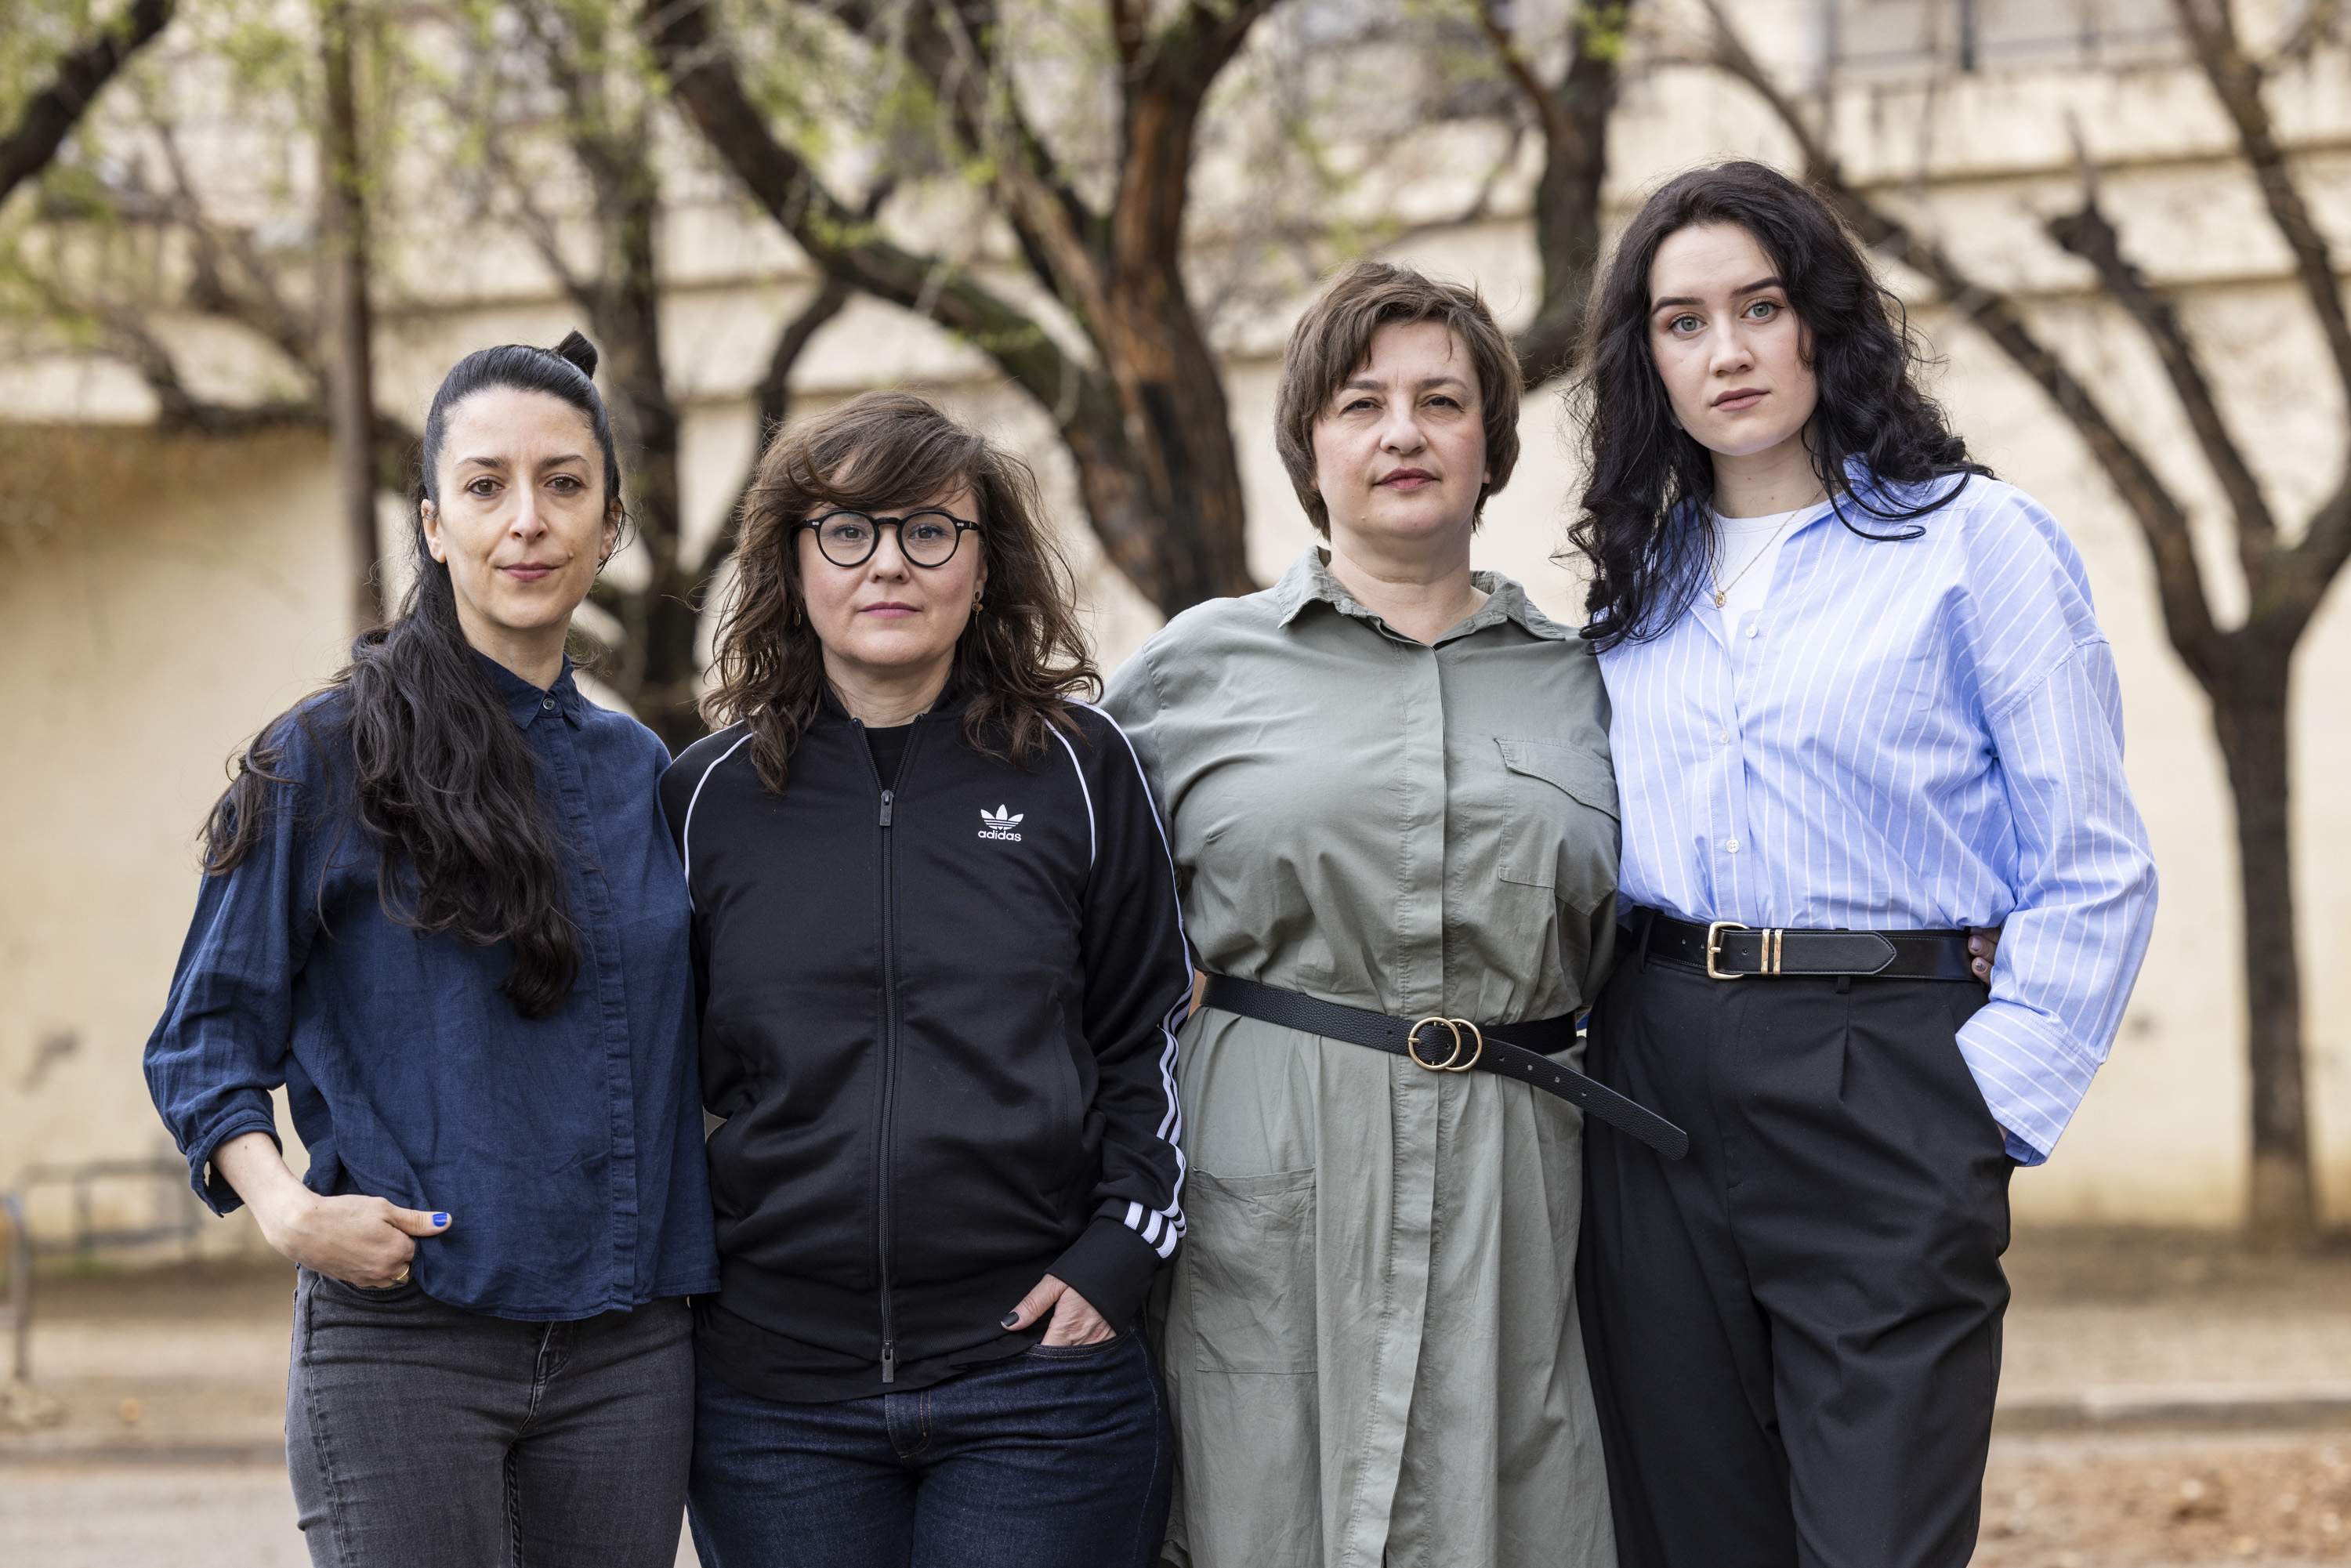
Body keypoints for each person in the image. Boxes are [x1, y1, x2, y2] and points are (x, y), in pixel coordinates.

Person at [1567, 160, 2160, 1568]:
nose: (1728, 351)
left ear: (1822, 319)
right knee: (1690, 1533)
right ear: (1649, 359)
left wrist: (1978, 1109)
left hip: (1885, 1067)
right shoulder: (1635, 584)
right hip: (1651, 1073)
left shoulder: (1975, 543)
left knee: (1877, 1535)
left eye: (1760, 307)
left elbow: (2093, 860)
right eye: (1684, 321)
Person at [1103, 261, 1681, 1568]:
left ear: (1492, 446)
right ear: (1311, 447)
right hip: (1268, 1170)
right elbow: (1065, 919)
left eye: (1442, 401)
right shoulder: (1193, 671)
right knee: (1260, 1506)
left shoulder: (1595, 682)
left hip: (1523, 1185)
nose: (1403, 432)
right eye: (1362, 404)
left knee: (1518, 1507)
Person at [143, 332, 718, 1567]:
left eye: (565, 484)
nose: (528, 520)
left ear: (611, 522)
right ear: (434, 523)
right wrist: (289, 1210)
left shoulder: (645, 773)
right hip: (407, 1343)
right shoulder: (323, 756)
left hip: (630, 1354)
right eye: (486, 485)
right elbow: (204, 1035)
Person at [667, 392, 1191, 1568]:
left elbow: (1147, 1030)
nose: (889, 563)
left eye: (929, 530)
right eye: (848, 531)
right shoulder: (704, 798)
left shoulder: (1080, 769)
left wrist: (1120, 1251)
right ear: (792, 562)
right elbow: (656, 1073)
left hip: (1037, 1377)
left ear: (983, 562)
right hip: (774, 1399)